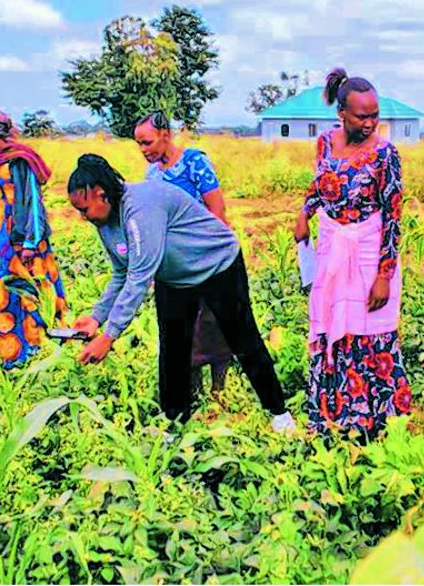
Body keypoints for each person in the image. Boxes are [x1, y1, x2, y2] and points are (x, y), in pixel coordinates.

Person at [67, 154, 295, 432]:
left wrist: (109, 336)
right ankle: (174, 425)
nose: (83, 217)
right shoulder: (105, 223)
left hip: (217, 265)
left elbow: (139, 276)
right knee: (173, 350)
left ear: (101, 195)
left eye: (85, 209)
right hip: (175, 278)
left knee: (243, 339)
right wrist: (95, 318)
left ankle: (279, 412)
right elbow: (121, 273)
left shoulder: (140, 208)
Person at [293, 68, 410, 441]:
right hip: (331, 246)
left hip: (367, 250)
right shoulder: (325, 143)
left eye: (375, 114)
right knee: (333, 324)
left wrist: (383, 275)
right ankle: (333, 412)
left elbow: (393, 217)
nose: (371, 123)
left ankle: (371, 417)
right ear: (341, 112)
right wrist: (304, 213)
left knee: (368, 329)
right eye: (362, 115)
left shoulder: (385, 155)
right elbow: (319, 185)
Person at [134, 110, 233, 397]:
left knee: (212, 324)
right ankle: (192, 392)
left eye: (148, 143)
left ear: (165, 135)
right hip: (173, 265)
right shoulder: (152, 175)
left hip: (206, 257)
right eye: (139, 144)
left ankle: (219, 390)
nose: (143, 150)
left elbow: (217, 211)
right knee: (183, 329)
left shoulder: (194, 163)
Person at [0, 109, 68, 367]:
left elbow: (32, 202)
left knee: (29, 290)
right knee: (2, 291)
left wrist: (29, 242)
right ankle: (3, 347)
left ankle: (35, 346)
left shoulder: (20, 161)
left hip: (20, 237)